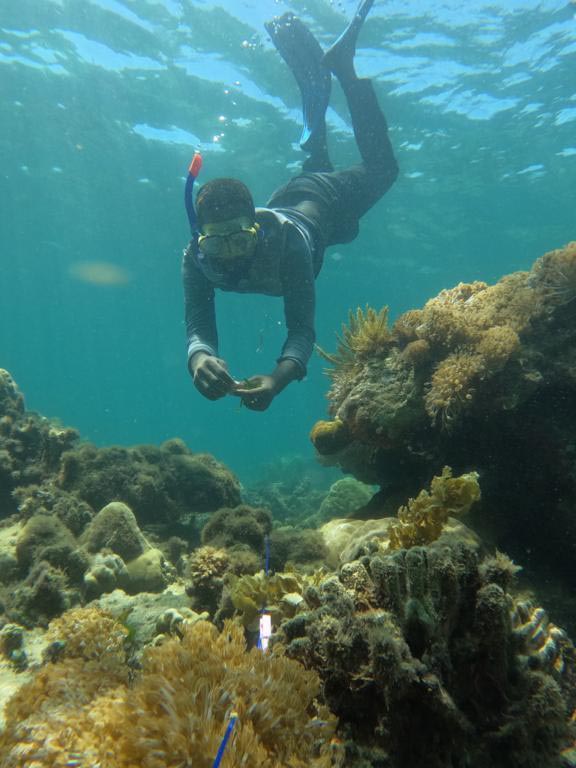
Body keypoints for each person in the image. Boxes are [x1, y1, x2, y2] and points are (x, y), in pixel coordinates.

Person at [182, 0, 398, 411]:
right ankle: (314, 141)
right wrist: (199, 358)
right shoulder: (196, 257)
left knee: (383, 169)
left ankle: (345, 69)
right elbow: (197, 323)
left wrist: (277, 379)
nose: (229, 253)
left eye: (239, 239)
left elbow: (302, 329)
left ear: (256, 229)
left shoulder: (287, 246)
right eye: (217, 242)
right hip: (292, 199)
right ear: (200, 237)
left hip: (322, 198)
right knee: (325, 184)